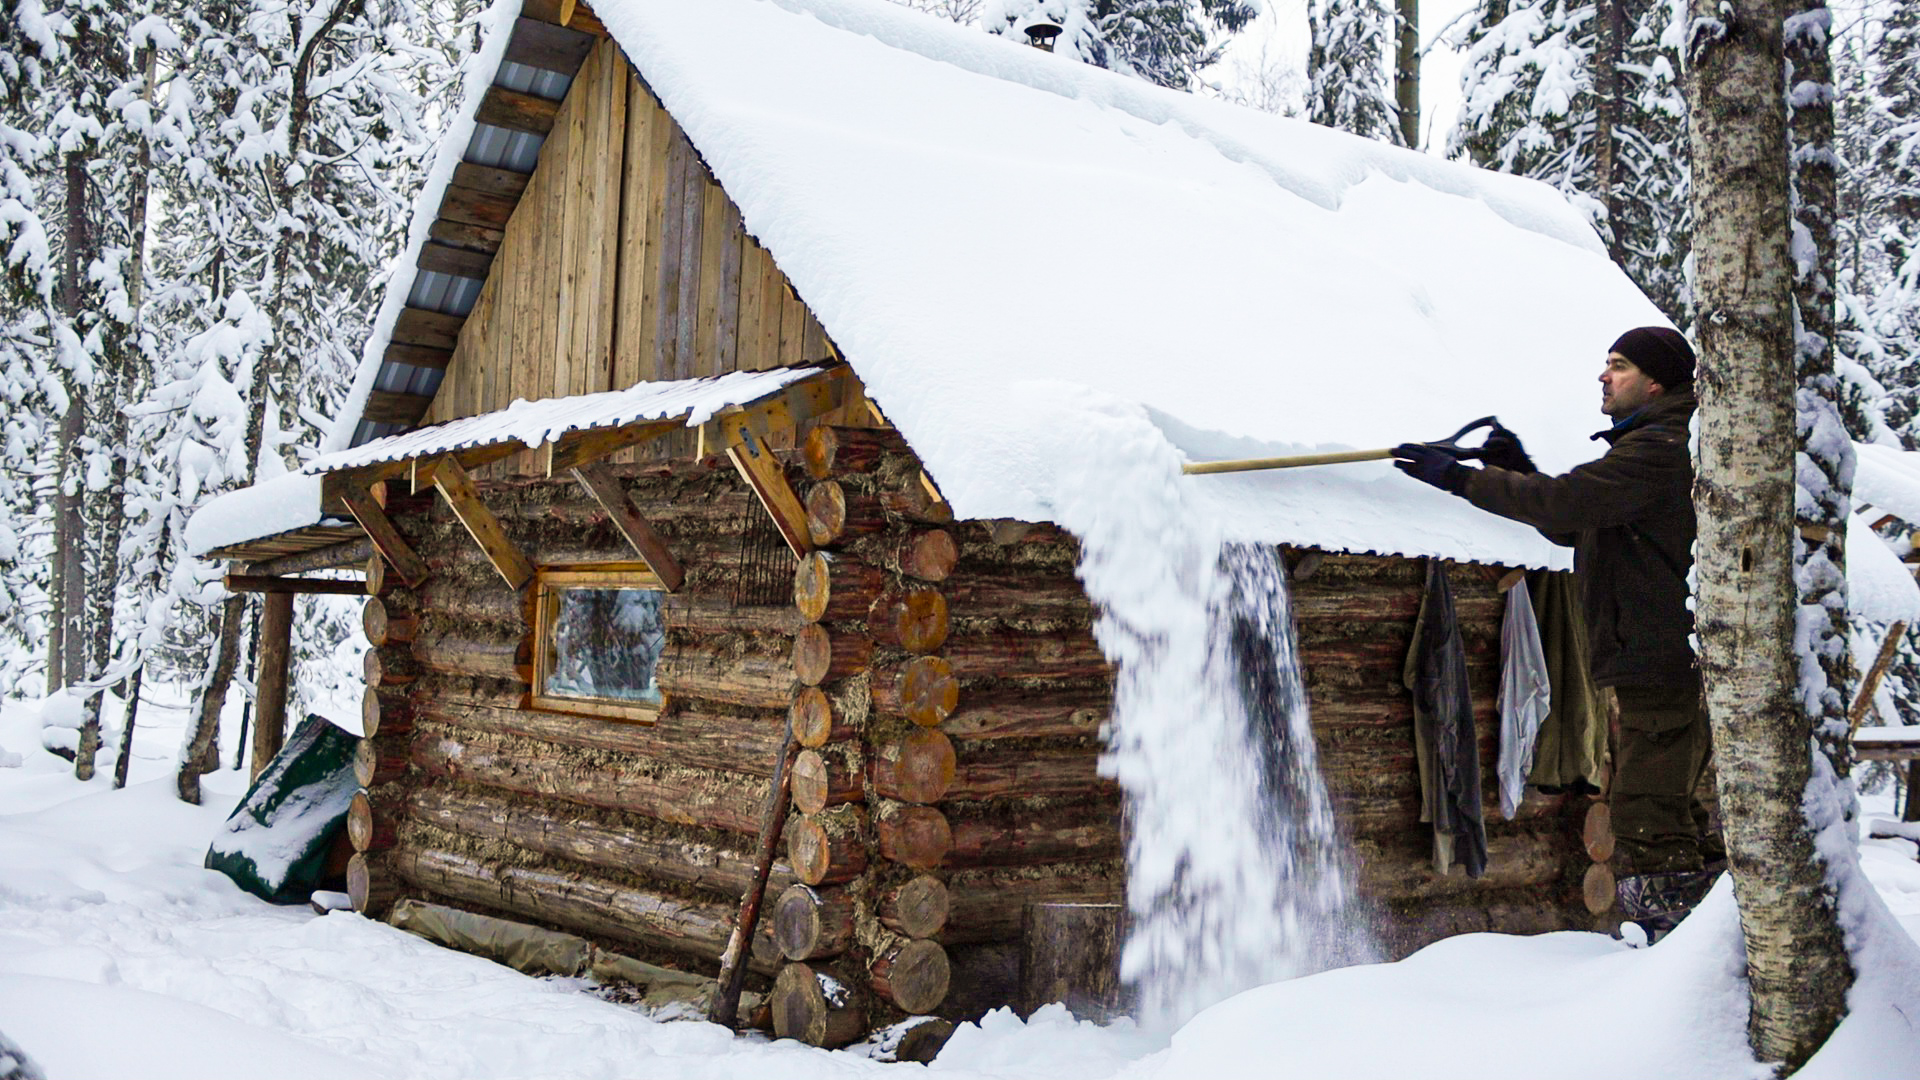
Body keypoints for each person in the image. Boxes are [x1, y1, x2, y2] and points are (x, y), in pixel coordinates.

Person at [1391, 327, 1725, 936]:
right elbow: (1578, 527)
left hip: (1661, 658)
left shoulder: (1662, 447)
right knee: (1664, 804)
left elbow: (1569, 504)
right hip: (1651, 657)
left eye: (1618, 366)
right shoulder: (1653, 446)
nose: (1603, 376)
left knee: (1649, 811)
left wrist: (1461, 480)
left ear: (1656, 382)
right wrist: (1513, 468)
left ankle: (1682, 945)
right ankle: (1695, 941)